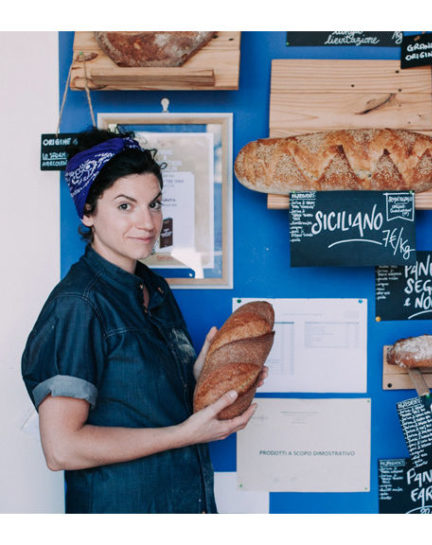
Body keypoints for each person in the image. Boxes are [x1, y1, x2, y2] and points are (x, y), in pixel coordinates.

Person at [21, 127, 265, 513]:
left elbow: (145, 399)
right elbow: (62, 448)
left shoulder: (154, 288)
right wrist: (183, 435)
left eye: (154, 203)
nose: (147, 222)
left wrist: (203, 373)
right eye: (124, 206)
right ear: (87, 211)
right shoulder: (79, 303)